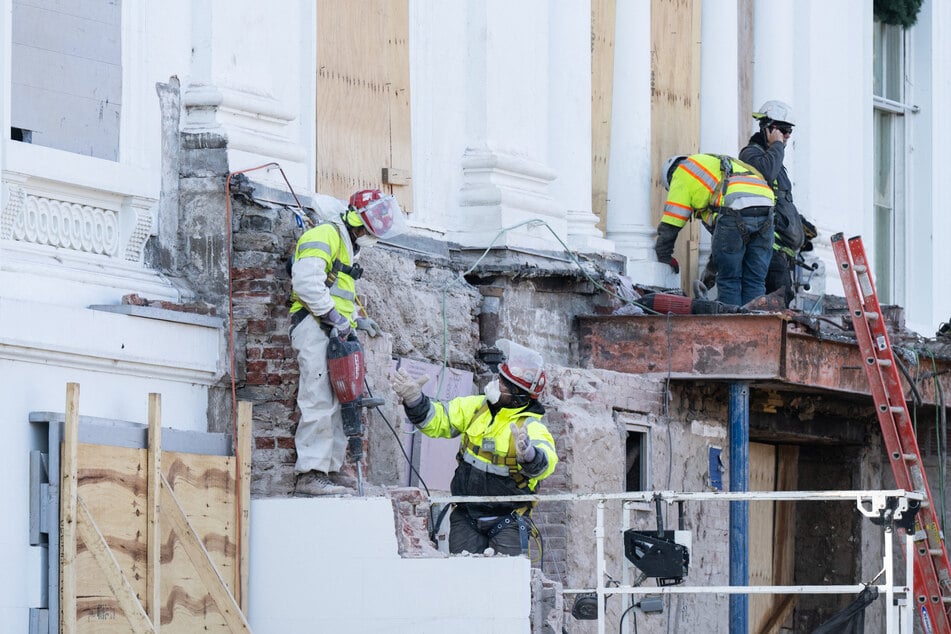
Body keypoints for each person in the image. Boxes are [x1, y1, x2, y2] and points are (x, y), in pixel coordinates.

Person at [390, 339, 559, 556]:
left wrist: (529, 455)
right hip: (466, 516)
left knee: (507, 581)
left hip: (509, 520)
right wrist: (415, 400)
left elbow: (547, 463)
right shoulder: (476, 408)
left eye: (505, 384)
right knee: (463, 580)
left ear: (519, 396)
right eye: (500, 378)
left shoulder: (530, 427)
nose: (498, 384)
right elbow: (436, 421)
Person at [290, 189, 406, 495]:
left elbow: (338, 290)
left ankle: (330, 468)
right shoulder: (325, 235)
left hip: (334, 327)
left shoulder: (347, 244)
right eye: (369, 231)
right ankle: (310, 473)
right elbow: (305, 282)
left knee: (344, 399)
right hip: (314, 325)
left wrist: (354, 319)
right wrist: (334, 317)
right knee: (318, 397)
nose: (371, 237)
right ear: (357, 223)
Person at [654, 153, 776, 306]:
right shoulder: (713, 169)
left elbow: (673, 219)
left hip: (734, 208)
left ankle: (732, 327)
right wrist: (711, 271)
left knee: (729, 279)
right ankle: (755, 326)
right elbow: (722, 238)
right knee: (755, 279)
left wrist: (663, 254)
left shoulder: (681, 171)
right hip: (767, 207)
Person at [739, 100, 816, 306]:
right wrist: (777, 146)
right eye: (783, 130)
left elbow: (781, 200)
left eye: (789, 130)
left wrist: (799, 226)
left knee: (783, 304)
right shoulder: (751, 154)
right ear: (768, 128)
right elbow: (766, 173)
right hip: (769, 250)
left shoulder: (774, 157)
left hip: (784, 254)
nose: (787, 135)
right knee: (773, 307)